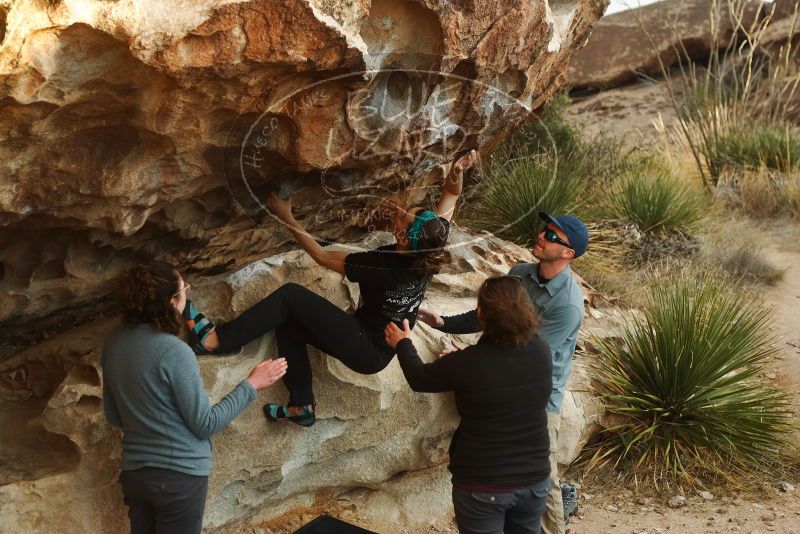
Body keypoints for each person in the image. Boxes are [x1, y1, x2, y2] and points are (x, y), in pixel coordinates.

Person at [183, 150, 478, 427]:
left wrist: (286, 215)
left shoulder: (382, 267)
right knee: (290, 325)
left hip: (368, 346)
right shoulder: (428, 247)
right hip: (378, 341)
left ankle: (218, 339)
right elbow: (451, 194)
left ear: (402, 238)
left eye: (404, 217)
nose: (400, 211)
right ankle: (302, 405)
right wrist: (457, 170)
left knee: (290, 296)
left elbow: (322, 256)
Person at [417, 212, 588, 534]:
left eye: (552, 236)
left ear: (568, 253)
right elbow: (490, 316)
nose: (541, 236)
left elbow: (528, 357)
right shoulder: (520, 274)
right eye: (544, 230)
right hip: (499, 375)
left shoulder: (568, 305)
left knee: (544, 479)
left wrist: (467, 360)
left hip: (538, 396)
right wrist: (443, 322)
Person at [102, 261, 288, 534]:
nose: (186, 294)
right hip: (178, 477)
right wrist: (251, 384)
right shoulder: (174, 352)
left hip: (135, 474)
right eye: (184, 289)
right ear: (173, 301)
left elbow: (114, 415)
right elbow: (205, 424)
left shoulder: (114, 343)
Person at [385, 275, 552, 534]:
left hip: (483, 483)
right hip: (534, 480)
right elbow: (502, 370)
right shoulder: (541, 350)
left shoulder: (466, 363)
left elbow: (420, 378)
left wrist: (403, 343)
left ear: (481, 314)